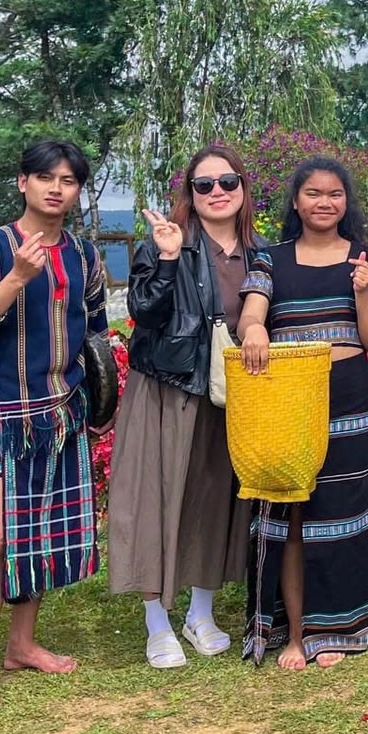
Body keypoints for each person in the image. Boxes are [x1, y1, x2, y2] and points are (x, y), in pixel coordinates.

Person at [0, 139, 109, 709]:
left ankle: (21, 644)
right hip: (0, 415)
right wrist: (16, 277)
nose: (56, 189)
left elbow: (95, 331)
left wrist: (100, 400)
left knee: (36, 536)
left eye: (68, 180)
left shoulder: (85, 256)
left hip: (61, 413)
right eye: (45, 178)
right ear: (23, 182)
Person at [238, 158, 368, 669]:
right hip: (287, 400)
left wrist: (363, 290)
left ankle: (338, 628)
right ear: (296, 201)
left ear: (346, 202)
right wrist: (254, 330)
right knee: (293, 514)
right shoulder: (270, 259)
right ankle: (297, 633)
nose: (325, 202)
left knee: (342, 514)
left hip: (347, 395)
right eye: (313, 193)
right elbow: (251, 313)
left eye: (334, 194)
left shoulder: (365, 259)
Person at [110, 145, 256, 669]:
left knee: (213, 499)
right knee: (157, 496)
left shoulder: (258, 251)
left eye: (228, 182)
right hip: (167, 386)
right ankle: (156, 621)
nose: (217, 192)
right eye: (204, 184)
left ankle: (200, 612)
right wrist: (169, 259)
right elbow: (144, 312)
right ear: (190, 194)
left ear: (243, 188)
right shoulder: (168, 242)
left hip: (227, 392)